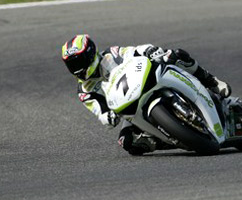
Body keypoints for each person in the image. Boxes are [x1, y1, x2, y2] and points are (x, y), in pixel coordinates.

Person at [61, 34, 231, 155]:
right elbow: (99, 111)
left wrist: (150, 51)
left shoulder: (111, 55)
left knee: (176, 55)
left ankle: (212, 82)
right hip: (130, 109)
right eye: (71, 64)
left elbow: (134, 51)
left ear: (91, 53)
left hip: (145, 82)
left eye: (79, 61)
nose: (77, 68)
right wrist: (109, 117)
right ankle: (168, 139)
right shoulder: (85, 91)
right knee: (127, 142)